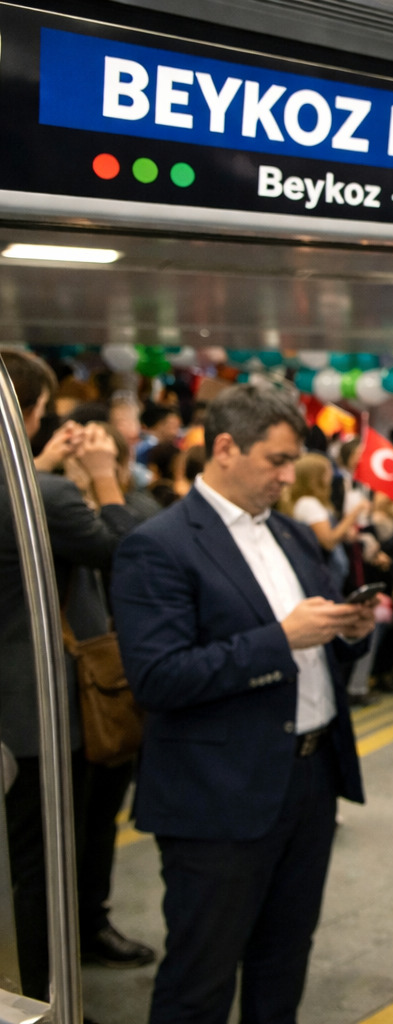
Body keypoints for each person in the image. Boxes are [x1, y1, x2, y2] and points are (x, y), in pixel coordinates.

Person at [111, 384, 375, 1024]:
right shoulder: (161, 545)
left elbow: (313, 641)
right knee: (201, 976)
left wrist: (345, 632)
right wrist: (281, 639)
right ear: (225, 448)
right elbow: (159, 678)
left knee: (283, 959)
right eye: (276, 461)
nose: (287, 477)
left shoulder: (291, 534)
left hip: (309, 778)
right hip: (217, 793)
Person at [0, 350, 155, 997]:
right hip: (44, 712)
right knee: (44, 865)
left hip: (17, 713)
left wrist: (40, 467)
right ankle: (47, 995)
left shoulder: (31, 487)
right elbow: (134, 552)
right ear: (28, 412)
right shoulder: (53, 494)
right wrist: (103, 478)